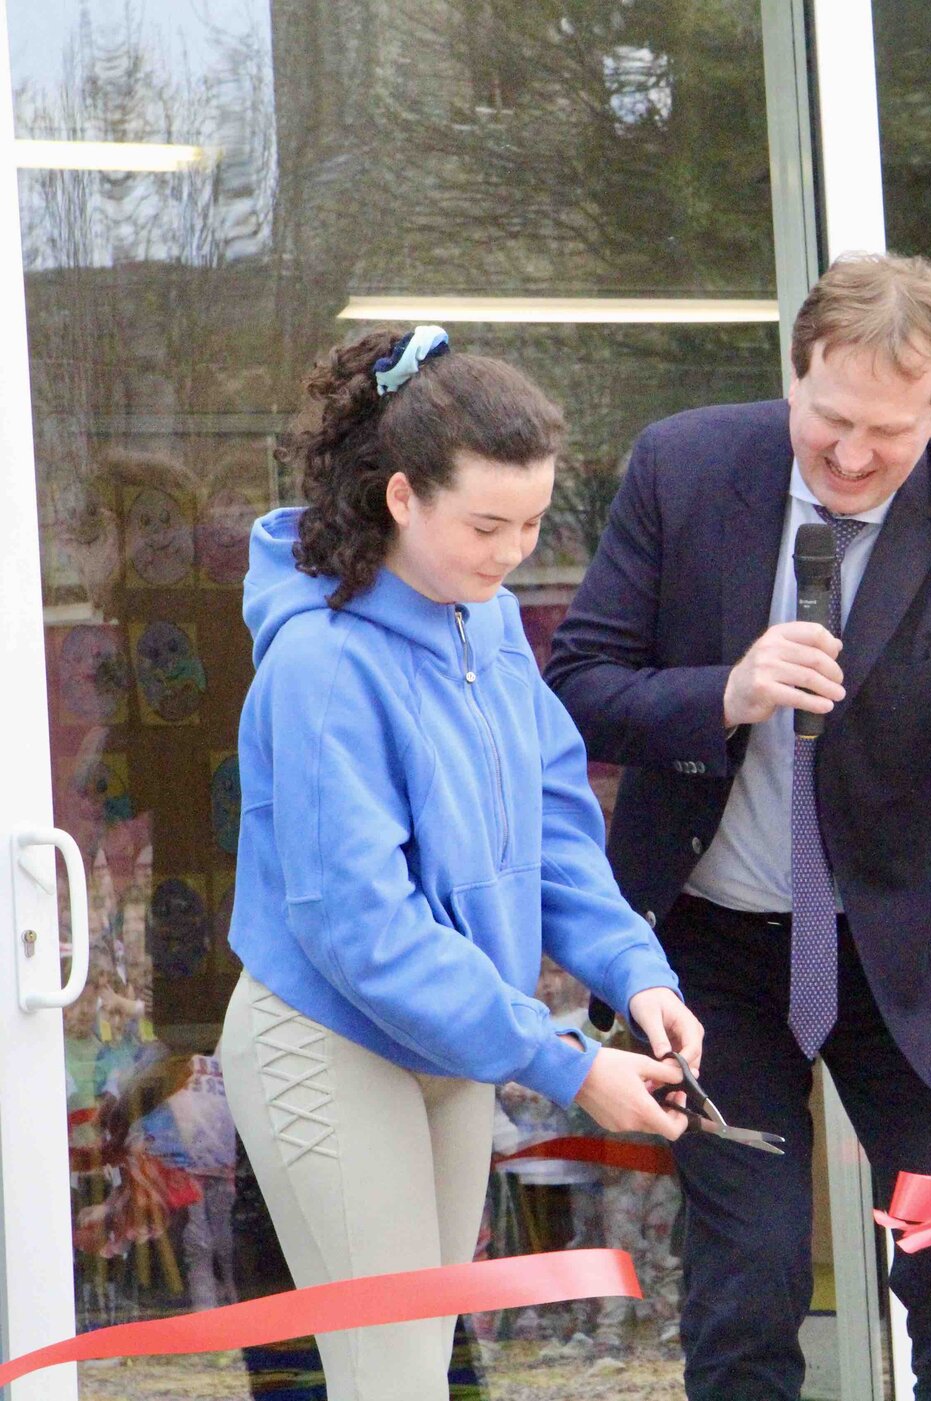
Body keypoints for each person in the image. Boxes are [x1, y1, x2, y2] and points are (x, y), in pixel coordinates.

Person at [545, 252, 931, 1398]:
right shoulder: (685, 468)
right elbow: (577, 683)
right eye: (831, 422)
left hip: (905, 952)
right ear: (792, 375)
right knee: (748, 1288)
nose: (854, 458)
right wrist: (725, 691)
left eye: (890, 434)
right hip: (713, 948)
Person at [219, 325, 702, 1401]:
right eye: (488, 524)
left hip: (453, 1038)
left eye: (534, 523)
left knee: (422, 1373)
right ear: (400, 497)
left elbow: (556, 831)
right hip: (330, 1035)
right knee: (388, 1381)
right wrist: (571, 1066)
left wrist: (639, 973)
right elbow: (364, 933)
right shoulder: (320, 666)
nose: (514, 553)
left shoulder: (482, 627)